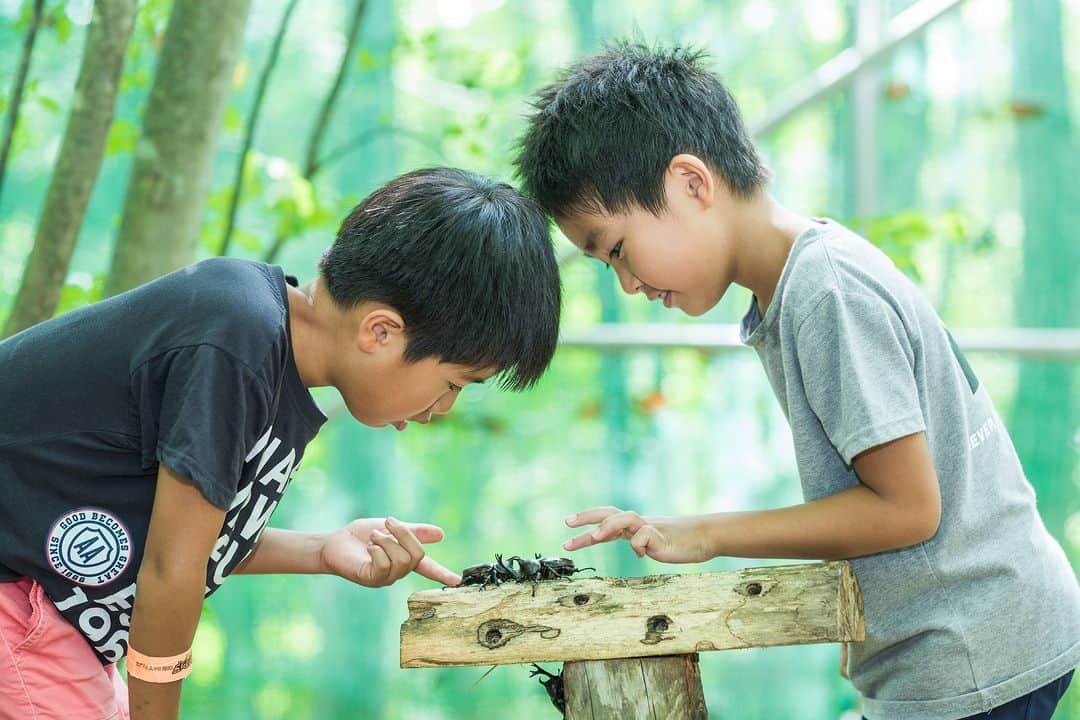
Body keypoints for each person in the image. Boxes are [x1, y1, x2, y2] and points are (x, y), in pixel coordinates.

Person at [514, 42, 1078, 720]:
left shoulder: (823, 291)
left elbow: (907, 508)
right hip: (967, 645)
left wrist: (708, 533)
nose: (627, 283)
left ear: (693, 183)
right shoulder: (797, 285)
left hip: (972, 657)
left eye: (617, 250)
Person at [0, 167, 561, 720]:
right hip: (20, 606)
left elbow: (180, 540)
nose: (442, 409)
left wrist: (322, 550)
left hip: (48, 619)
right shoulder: (235, 340)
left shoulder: (270, 359)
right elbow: (172, 569)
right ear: (381, 331)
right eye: (453, 383)